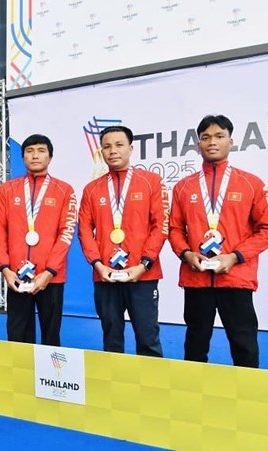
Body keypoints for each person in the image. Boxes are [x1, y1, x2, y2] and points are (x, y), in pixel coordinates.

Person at [168, 114, 268, 368]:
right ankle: (194, 389)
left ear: (231, 142)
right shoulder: (183, 187)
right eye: (205, 137)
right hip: (196, 279)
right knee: (195, 345)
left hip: (236, 278)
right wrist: (186, 254)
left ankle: (248, 391)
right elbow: (174, 229)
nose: (212, 142)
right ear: (198, 144)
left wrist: (235, 257)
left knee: (244, 344)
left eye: (219, 136)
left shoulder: (251, 184)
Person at [78, 125, 169, 357]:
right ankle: (114, 379)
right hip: (105, 275)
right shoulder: (91, 189)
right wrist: (98, 265)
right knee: (111, 337)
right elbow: (85, 231)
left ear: (131, 148)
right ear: (101, 151)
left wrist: (144, 264)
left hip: (143, 274)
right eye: (107, 146)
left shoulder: (152, 182)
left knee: (148, 337)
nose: (113, 151)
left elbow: (161, 226)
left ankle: (150, 379)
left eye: (119, 145)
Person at [0, 134, 77, 346]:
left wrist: (49, 272)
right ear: (23, 157)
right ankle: (21, 368)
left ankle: (49, 369)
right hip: (17, 276)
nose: (35, 155)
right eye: (29, 151)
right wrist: (6, 269)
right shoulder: (7, 189)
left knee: (51, 336)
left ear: (50, 157)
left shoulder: (64, 190)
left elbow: (66, 233)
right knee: (17, 335)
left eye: (41, 151)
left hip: (51, 277)